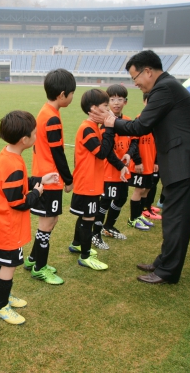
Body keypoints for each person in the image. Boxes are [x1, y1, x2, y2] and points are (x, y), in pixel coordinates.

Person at [91, 50, 190, 285]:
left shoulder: (164, 88)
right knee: (173, 217)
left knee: (177, 219)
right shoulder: (167, 86)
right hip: (186, 163)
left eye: (135, 77)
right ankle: (163, 262)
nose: (135, 83)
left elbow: (140, 126)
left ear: (148, 71)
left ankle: (167, 271)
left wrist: (110, 121)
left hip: (189, 165)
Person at [0, 110, 59, 325]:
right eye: (35, 133)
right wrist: (37, 193)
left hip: (0, 223)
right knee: (8, 265)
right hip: (7, 226)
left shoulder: (7, 155)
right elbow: (17, 201)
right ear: (24, 139)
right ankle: (1, 306)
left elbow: (16, 183)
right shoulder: (14, 164)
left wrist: (39, 179)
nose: (37, 136)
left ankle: (1, 296)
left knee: (3, 263)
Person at [23, 68, 76, 285]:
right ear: (62, 94)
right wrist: (69, 178)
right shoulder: (51, 117)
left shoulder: (46, 111)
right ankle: (40, 268)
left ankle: (34, 259)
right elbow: (58, 152)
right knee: (47, 223)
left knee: (49, 221)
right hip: (50, 178)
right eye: (72, 93)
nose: (73, 97)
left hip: (45, 175)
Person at [69, 89, 114, 268]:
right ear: (94, 108)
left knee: (85, 216)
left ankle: (77, 244)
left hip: (90, 181)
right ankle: (86, 256)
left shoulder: (92, 127)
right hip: (87, 182)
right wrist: (109, 128)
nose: (109, 111)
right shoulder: (87, 128)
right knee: (88, 218)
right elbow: (102, 153)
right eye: (105, 107)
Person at [95, 84, 133, 243]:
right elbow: (107, 151)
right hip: (110, 171)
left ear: (126, 101)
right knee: (105, 201)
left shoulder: (128, 121)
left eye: (120, 99)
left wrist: (130, 154)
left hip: (124, 170)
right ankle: (95, 233)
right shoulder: (105, 123)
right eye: (112, 99)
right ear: (107, 102)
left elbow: (135, 141)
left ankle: (108, 226)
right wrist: (120, 165)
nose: (116, 102)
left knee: (122, 197)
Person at [127, 93, 159, 232]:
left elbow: (158, 144)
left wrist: (156, 161)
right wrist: (138, 161)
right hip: (140, 164)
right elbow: (133, 143)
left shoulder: (157, 122)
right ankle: (133, 219)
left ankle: (139, 215)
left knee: (146, 189)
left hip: (151, 163)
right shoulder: (139, 120)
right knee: (139, 190)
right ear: (145, 102)